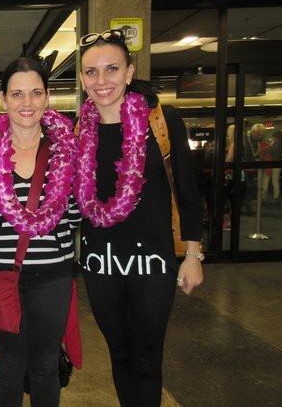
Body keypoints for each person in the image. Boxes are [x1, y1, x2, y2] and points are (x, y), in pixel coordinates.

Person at [74, 29, 204, 407]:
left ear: (130, 72)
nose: (102, 81)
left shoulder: (160, 122)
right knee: (119, 352)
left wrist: (193, 255)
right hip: (101, 263)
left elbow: (188, 193)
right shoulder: (80, 130)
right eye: (91, 72)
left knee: (146, 356)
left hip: (153, 262)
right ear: (82, 79)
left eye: (112, 69)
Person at [0, 58, 80, 407]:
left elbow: (76, 215)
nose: (27, 103)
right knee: (7, 367)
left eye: (36, 93)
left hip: (53, 276)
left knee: (45, 365)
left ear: (48, 96)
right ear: (3, 99)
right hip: (1, 277)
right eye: (17, 94)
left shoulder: (67, 153)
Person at [262, 129, 282, 203]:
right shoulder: (273, 143)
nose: (273, 139)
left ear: (278, 137)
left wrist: (269, 148)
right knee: (265, 181)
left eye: (274, 137)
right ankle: (262, 197)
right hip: (269, 164)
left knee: (275, 181)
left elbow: (278, 154)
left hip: (276, 165)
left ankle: (275, 197)